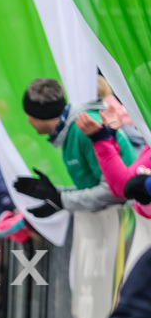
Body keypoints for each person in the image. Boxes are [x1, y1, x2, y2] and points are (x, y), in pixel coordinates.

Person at [14, 78, 135, 217]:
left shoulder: (84, 129)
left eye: (27, 115)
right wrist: (55, 193)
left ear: (36, 117)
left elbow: (114, 190)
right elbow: (94, 186)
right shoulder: (71, 129)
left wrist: (61, 200)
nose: (27, 120)